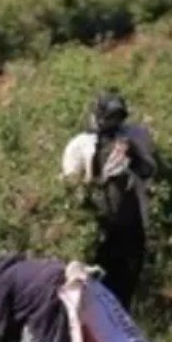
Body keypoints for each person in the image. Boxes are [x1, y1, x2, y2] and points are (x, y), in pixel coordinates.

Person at [61, 93, 156, 310]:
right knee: (98, 285)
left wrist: (133, 156)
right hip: (99, 227)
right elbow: (71, 185)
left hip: (131, 226)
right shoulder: (80, 145)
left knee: (126, 285)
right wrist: (96, 181)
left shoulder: (134, 137)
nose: (113, 123)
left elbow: (149, 171)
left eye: (118, 117)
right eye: (109, 117)